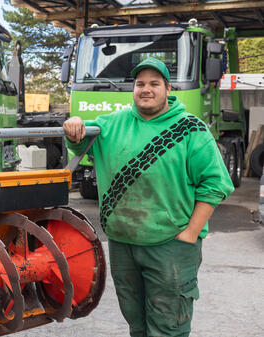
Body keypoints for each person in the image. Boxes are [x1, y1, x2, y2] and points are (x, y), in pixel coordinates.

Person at [63, 57, 234, 337]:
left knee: (168, 326)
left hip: (172, 245)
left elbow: (215, 185)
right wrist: (75, 123)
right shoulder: (113, 124)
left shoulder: (191, 129)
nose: (146, 89)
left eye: (154, 83)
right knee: (136, 322)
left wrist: (191, 233)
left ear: (167, 88)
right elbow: (80, 139)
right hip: (122, 244)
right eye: (140, 83)